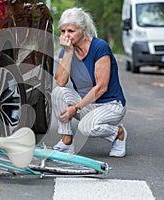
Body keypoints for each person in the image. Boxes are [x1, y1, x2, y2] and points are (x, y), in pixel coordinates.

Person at [52, 7, 127, 157]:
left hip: (110, 104)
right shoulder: (67, 50)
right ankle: (66, 141)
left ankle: (119, 133)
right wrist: (67, 52)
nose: (66, 36)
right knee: (58, 92)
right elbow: (60, 82)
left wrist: (76, 108)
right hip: (88, 104)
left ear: (83, 29)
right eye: (63, 31)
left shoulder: (100, 47)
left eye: (71, 31)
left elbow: (101, 88)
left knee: (86, 128)